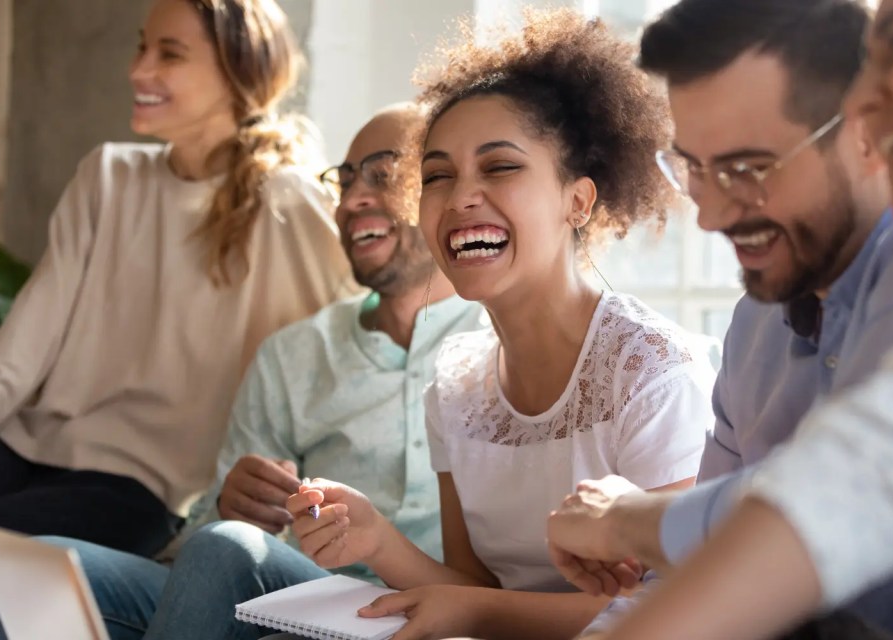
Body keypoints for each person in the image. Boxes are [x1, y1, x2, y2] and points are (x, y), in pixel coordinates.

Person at [544, 1, 893, 639]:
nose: (710, 216)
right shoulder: (756, 325)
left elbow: (853, 491)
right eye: (694, 169)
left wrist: (627, 520)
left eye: (748, 169)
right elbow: (693, 570)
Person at [0, 104, 486, 640]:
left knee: (228, 551)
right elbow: (203, 533)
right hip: (298, 588)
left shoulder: (498, 344)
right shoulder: (295, 353)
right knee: (48, 567)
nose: (352, 200)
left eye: (383, 176)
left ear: (443, 192)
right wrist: (229, 505)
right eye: (346, 178)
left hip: (419, 608)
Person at [286, 9, 716, 640]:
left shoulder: (652, 373)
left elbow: (683, 610)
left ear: (578, 200)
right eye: (437, 176)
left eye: (500, 167)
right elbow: (477, 587)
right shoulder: (456, 385)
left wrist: (479, 612)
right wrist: (376, 539)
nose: (460, 196)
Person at [0, 0, 356, 618]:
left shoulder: (287, 204)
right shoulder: (106, 176)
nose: (139, 69)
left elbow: (349, 341)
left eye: (168, 54)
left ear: (238, 69)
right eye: (140, 47)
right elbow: (22, 350)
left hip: (142, 489)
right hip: (21, 448)